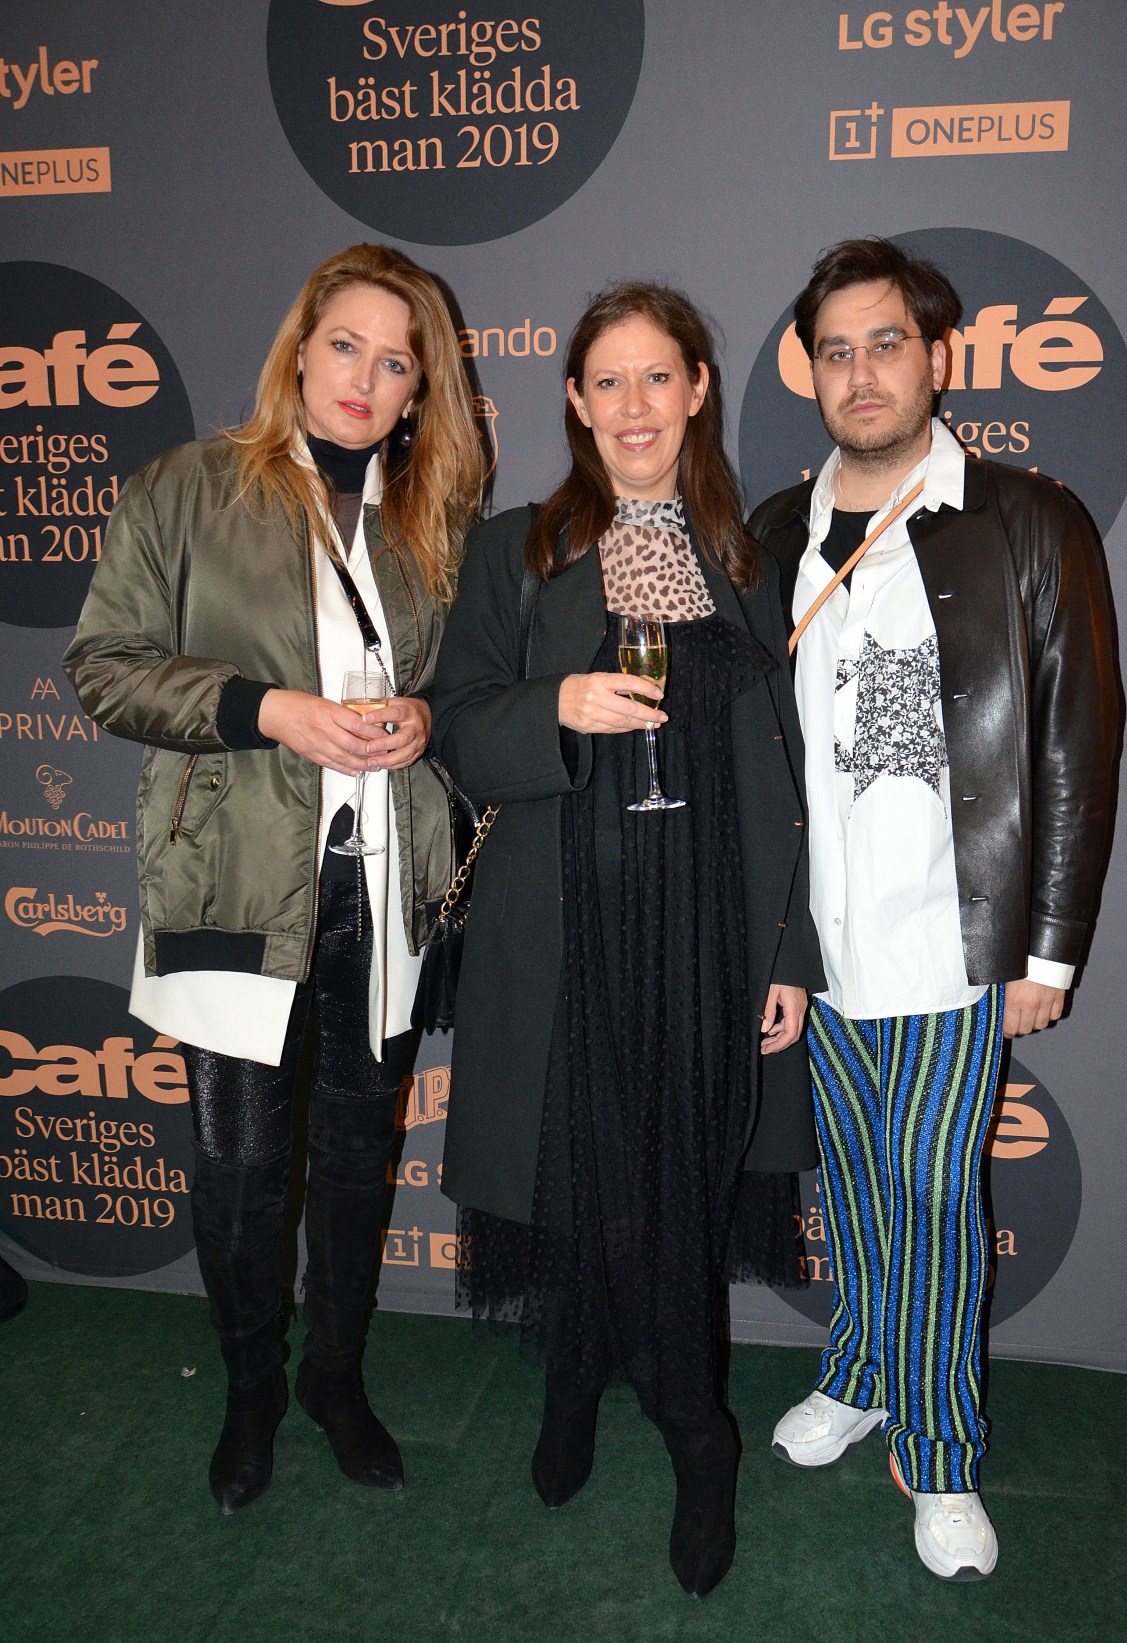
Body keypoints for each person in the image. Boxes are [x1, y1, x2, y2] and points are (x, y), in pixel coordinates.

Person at [64, 243, 485, 1514]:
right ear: (299, 351)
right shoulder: (187, 488)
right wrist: (268, 709)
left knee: (358, 1153)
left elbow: (467, 687)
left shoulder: (434, 514)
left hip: (383, 883)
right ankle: (251, 1391)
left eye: (395, 361)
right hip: (234, 875)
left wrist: (426, 718)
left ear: (419, 390)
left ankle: (333, 1379)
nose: (365, 378)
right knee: (242, 1165)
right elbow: (103, 667)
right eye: (345, 345)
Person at [431, 282, 825, 1597]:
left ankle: (698, 1433)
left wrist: (788, 954)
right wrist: (557, 703)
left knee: (679, 1183)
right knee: (586, 1177)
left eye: (660, 376)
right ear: (575, 401)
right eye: (609, 380)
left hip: (713, 934)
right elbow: (456, 723)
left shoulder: (752, 558)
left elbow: (797, 774)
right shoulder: (516, 550)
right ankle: (575, 1373)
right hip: (566, 940)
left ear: (699, 391)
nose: (635, 404)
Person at [749, 238, 1119, 1580]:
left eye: (887, 344)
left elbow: (1077, 738)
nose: (863, 373)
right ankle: (860, 1370)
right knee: (855, 1180)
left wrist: (1047, 945)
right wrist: (766, 939)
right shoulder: (775, 531)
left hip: (957, 941)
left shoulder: (1025, 518)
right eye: (836, 350)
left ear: (939, 357)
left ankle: (944, 1446)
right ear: (811, 369)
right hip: (823, 944)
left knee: (932, 1192)